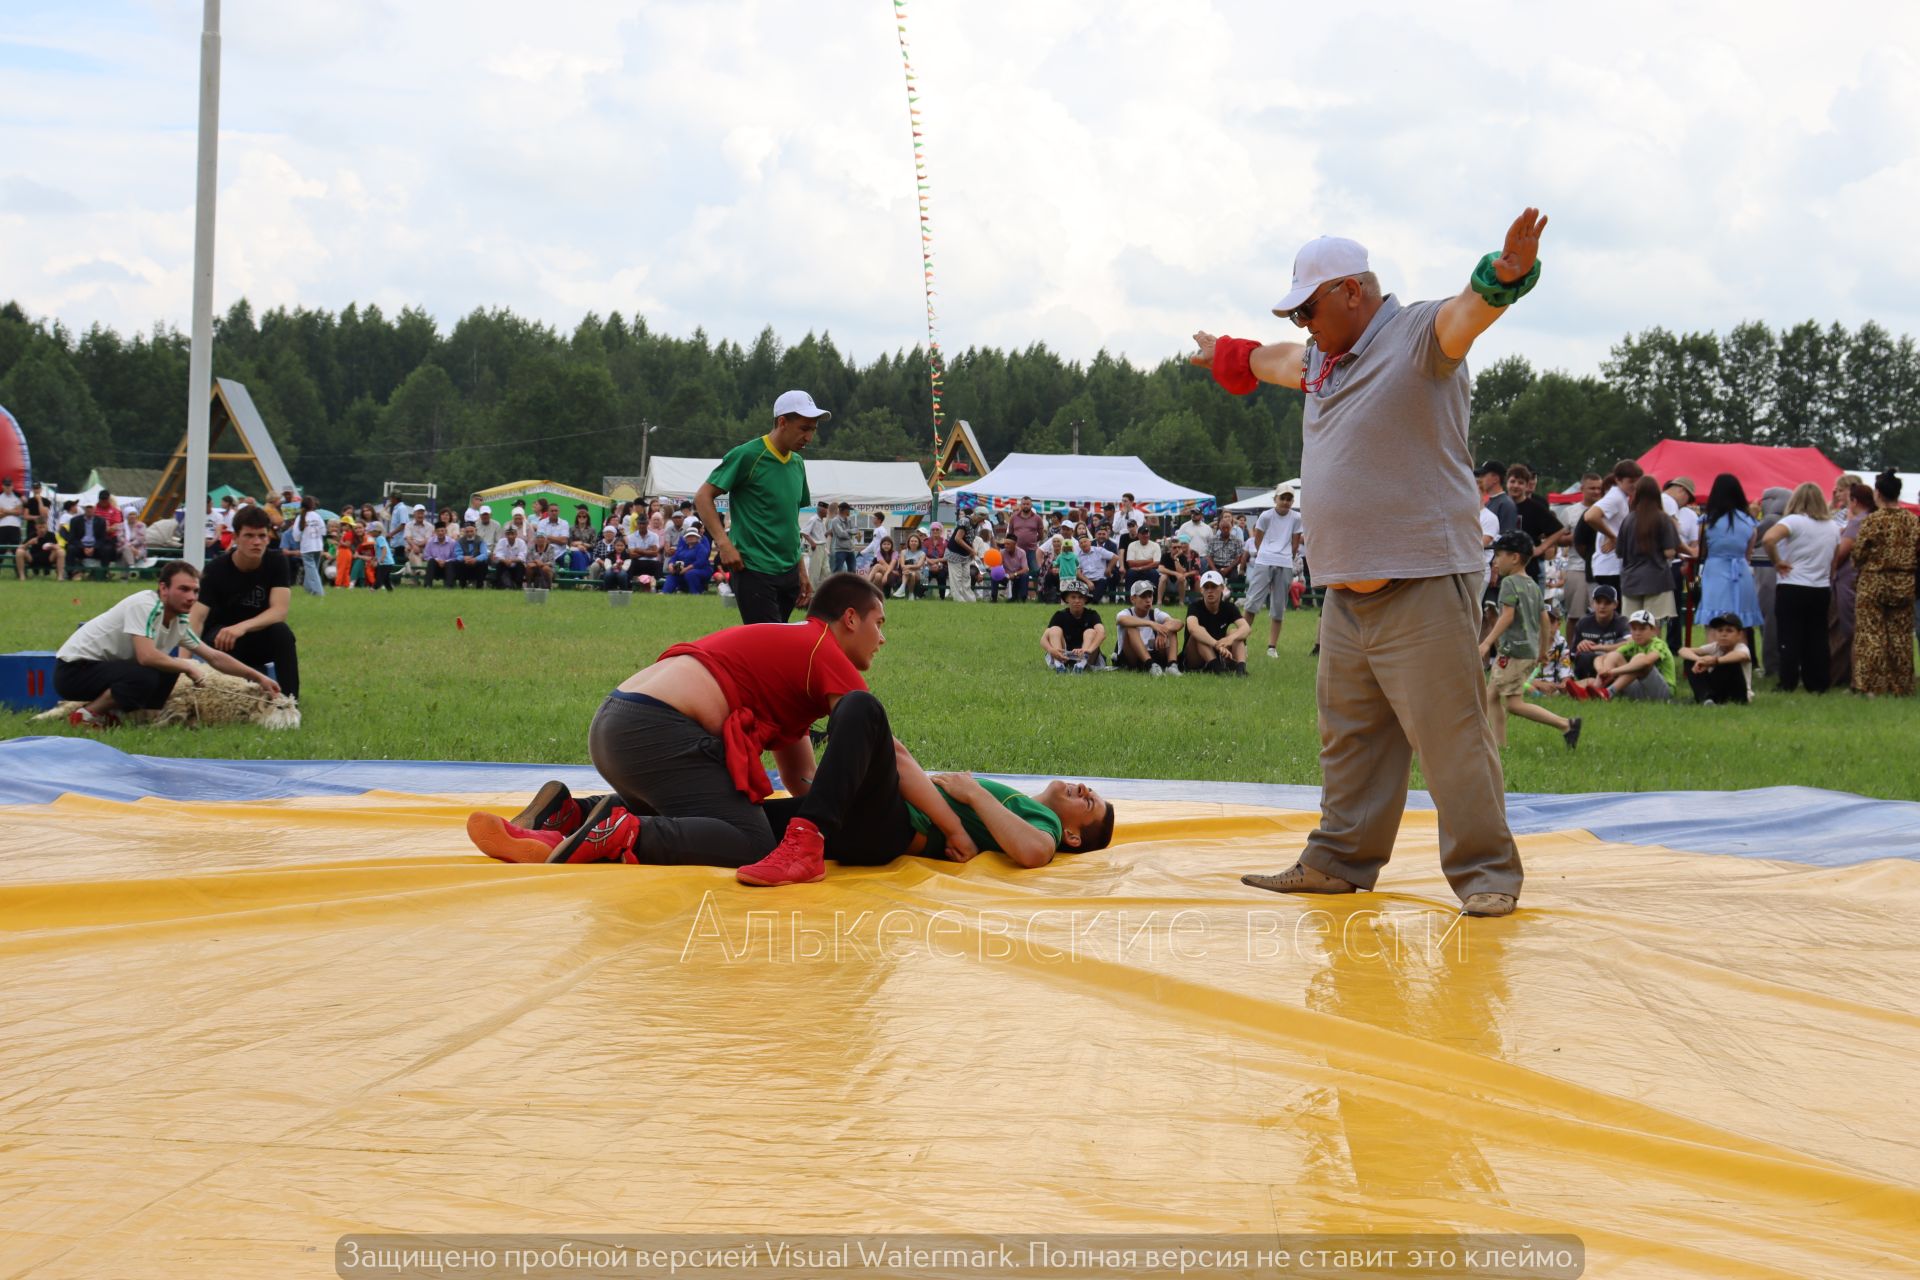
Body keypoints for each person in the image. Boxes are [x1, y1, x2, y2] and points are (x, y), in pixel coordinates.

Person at [1193, 209, 1546, 916]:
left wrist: (1503, 276)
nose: (1302, 325)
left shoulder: (1417, 337)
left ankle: (1487, 874)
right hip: (1347, 592)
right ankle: (1340, 861)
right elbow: (1267, 360)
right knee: (1350, 739)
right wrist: (1221, 355)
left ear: (1353, 292)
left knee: (1451, 741)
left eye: (1309, 308)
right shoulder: (1323, 359)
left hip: (1421, 580)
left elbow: (1468, 314)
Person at [473, 574, 889, 885]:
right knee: (751, 839)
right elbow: (888, 750)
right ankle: (620, 834)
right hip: (657, 728)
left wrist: (828, 814)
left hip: (616, 719)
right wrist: (940, 814)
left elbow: (805, 786)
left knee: (702, 811)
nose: (882, 638)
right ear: (850, 619)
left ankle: (567, 816)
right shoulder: (826, 650)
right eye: (879, 622)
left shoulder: (792, 657)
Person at [54, 561, 282, 727]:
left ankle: (145, 721)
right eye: (183, 589)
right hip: (73, 671)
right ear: (163, 589)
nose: (192, 597)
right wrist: (188, 666)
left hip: (102, 670)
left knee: (167, 671)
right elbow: (146, 657)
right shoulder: (144, 605)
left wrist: (259, 678)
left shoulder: (179, 621)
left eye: (195, 591)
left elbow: (213, 656)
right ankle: (86, 716)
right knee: (150, 672)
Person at [696, 390, 824, 625]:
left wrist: (801, 571)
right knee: (768, 647)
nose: (809, 437)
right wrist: (723, 543)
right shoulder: (747, 456)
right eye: (804, 428)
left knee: (774, 645)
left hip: (788, 572)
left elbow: (789, 520)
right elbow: (703, 497)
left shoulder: (797, 463)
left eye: (813, 429)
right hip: (754, 568)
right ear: (782, 422)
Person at [188, 504, 302, 700]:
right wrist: (184, 664)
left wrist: (241, 627)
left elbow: (279, 611)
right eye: (249, 536)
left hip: (255, 636)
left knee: (281, 632)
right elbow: (196, 619)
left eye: (262, 536)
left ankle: (289, 702)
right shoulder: (215, 569)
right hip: (221, 641)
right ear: (235, 538)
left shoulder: (276, 562)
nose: (256, 542)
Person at [1479, 531, 1581, 749]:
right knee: (1492, 696)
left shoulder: (1509, 583)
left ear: (1515, 558)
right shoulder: (1532, 585)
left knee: (1514, 704)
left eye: (1499, 555)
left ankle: (1566, 724)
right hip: (1526, 651)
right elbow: (1544, 619)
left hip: (1513, 652)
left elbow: (1507, 616)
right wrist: (1542, 650)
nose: (1495, 561)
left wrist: (1487, 643)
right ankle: (1499, 746)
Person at [1761, 483, 1839, 693]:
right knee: (1817, 637)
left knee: (1789, 636)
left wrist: (1777, 561)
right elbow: (1834, 560)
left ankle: (1788, 681)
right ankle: (1818, 682)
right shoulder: (1832, 527)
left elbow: (1768, 538)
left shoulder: (1793, 521)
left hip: (1793, 584)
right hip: (1820, 587)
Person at [1850, 471, 1918, 697]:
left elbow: (1858, 554)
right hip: (1904, 581)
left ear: (1878, 493)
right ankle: (1902, 685)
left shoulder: (1873, 520)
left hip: (1874, 581)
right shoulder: (1912, 520)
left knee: (1871, 634)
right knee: (1900, 636)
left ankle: (1872, 685)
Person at [1695, 474, 1762, 656]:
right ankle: (1740, 669)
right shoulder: (1749, 522)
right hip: (1740, 572)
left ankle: (1712, 665)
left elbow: (1701, 551)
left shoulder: (1707, 521)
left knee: (1713, 621)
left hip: (1715, 571)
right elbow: (1748, 554)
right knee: (1739, 624)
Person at [1827, 482, 1875, 690]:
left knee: (1850, 630)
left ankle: (1852, 678)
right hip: (1863, 580)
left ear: (1854, 501)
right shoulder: (1874, 519)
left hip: (1848, 581)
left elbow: (1840, 553)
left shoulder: (1857, 523)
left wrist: (1830, 571)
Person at [1615, 475, 1680, 625]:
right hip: (1657, 578)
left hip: (1631, 579)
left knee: (1632, 627)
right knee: (1653, 626)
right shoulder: (1663, 519)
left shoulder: (1628, 520)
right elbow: (1669, 552)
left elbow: (1619, 552)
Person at [1248, 488, 1303, 657]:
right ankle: (1241, 642)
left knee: (1279, 606)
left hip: (1284, 563)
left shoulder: (1296, 517)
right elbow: (1258, 540)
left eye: (1289, 499)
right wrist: (1267, 554)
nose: (1286, 502)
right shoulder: (1265, 516)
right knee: (1252, 602)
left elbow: (1295, 543)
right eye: (1283, 498)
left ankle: (1272, 647)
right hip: (1264, 560)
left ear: (1292, 501)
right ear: (1276, 499)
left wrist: (1286, 557)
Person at [1584, 458, 1644, 598]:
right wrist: (1613, 537)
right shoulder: (1615, 497)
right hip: (1609, 567)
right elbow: (1590, 516)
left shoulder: (1622, 497)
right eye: (1630, 481)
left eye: (1637, 481)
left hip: (1613, 565)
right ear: (1618, 480)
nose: (1635, 485)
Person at [1592, 609, 1677, 701]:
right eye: (1634, 629)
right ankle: (1596, 690)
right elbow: (1600, 658)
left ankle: (1608, 692)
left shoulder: (1659, 644)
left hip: (1663, 693)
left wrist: (1612, 672)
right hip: (1641, 690)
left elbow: (1646, 661)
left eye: (1642, 629)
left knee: (1639, 659)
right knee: (1613, 656)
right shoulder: (1633, 644)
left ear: (1653, 630)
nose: (1637, 633)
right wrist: (1601, 670)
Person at [1179, 570, 1250, 674]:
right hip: (1195, 658)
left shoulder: (1229, 607)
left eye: (1213, 587)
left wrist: (1230, 639)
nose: (1210, 591)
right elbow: (1193, 628)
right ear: (1201, 590)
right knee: (1199, 633)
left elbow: (1246, 628)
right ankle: (1218, 669)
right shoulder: (1195, 607)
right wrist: (1217, 645)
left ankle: (1241, 669)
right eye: (1206, 587)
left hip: (1219, 653)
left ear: (1222, 588)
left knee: (1235, 632)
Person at [1752, 486, 1790, 675]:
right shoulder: (1788, 520)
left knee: (1769, 623)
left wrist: (1750, 517)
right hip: (1774, 575)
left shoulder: (1771, 521)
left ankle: (1772, 666)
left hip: (1768, 577)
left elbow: (1751, 536)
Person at [1678, 614, 1753, 705]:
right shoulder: (1715, 646)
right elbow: (1683, 650)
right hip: (1718, 691)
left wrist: (1715, 661)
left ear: (1739, 635)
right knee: (1690, 661)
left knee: (1730, 661)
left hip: (1738, 693)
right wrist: (1701, 660)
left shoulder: (1741, 647)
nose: (1724, 634)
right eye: (1720, 630)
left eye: (1729, 631)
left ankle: (1706, 699)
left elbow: (1742, 656)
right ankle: (1706, 699)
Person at [1509, 464, 1564, 586]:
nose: (1516, 486)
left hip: (1529, 567)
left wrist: (1541, 548)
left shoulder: (1535, 507)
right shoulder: (1503, 505)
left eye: (1520, 482)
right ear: (1507, 483)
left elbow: (1559, 529)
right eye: (1512, 481)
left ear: (1526, 485)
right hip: (1505, 568)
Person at [1113, 578, 1180, 674]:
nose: (1148, 600)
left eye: (1150, 596)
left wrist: (1164, 630)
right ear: (1133, 599)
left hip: (1154, 654)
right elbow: (1120, 619)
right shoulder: (1126, 613)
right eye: (1143, 596)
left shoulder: (1155, 613)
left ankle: (1172, 666)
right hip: (1132, 658)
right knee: (1131, 628)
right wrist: (1151, 624)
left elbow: (1178, 623)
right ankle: (1150, 665)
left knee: (1171, 629)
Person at [1565, 584, 1629, 685]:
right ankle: (1590, 682)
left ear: (1615, 604)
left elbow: (1629, 644)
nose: (1602, 606)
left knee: (1621, 643)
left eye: (1607, 603)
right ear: (1592, 604)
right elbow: (1572, 656)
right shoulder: (1583, 623)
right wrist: (1580, 646)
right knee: (1583, 655)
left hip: (1613, 667)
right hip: (1590, 667)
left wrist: (1599, 647)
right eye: (1598, 602)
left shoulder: (1622, 622)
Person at [1042, 579, 1107, 673]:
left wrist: (1087, 651)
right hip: (1064, 654)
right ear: (1067, 599)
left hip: (1088, 655)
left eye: (1080, 597)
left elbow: (1102, 634)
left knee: (1090, 632)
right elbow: (1043, 639)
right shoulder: (1059, 615)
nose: (1077, 600)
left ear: (1086, 599)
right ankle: (1059, 664)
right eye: (1073, 597)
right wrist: (1051, 650)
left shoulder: (1092, 614)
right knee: (1054, 630)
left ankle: (1081, 665)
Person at [661, 526, 713, 595]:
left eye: (693, 536)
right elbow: (674, 558)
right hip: (683, 570)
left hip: (701, 570)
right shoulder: (682, 548)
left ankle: (695, 592)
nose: (690, 537)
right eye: (688, 536)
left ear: (698, 538)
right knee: (672, 575)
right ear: (685, 539)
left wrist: (686, 569)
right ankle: (665, 592)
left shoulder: (701, 548)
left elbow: (700, 562)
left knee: (690, 573)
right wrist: (671, 566)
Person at [297, 496, 328, 596]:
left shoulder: (300, 517)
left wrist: (299, 539)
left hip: (306, 547)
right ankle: (309, 588)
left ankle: (319, 592)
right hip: (318, 546)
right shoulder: (317, 516)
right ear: (312, 505)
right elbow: (323, 531)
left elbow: (296, 534)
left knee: (311, 570)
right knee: (312, 569)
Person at [943, 512, 977, 603]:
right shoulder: (964, 521)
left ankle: (970, 600)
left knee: (966, 576)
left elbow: (969, 539)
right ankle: (958, 600)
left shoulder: (976, 523)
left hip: (965, 555)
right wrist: (971, 550)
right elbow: (958, 539)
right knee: (956, 578)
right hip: (954, 553)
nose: (984, 521)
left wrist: (971, 550)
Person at [802, 500, 832, 592]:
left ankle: (823, 593)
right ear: (821, 510)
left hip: (822, 547)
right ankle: (811, 596)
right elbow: (803, 532)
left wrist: (828, 533)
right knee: (814, 573)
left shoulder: (821, 521)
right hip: (817, 548)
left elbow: (822, 536)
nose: (827, 512)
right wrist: (812, 543)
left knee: (826, 572)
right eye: (826, 510)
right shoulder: (813, 519)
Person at [490, 524, 529, 589]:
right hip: (504, 564)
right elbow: (498, 555)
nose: (510, 536)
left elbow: (522, 557)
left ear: (516, 534)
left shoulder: (521, 542)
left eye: (512, 534)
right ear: (505, 535)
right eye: (508, 534)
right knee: (499, 565)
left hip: (516, 565)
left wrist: (512, 560)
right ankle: (499, 586)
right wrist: (505, 561)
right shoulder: (501, 541)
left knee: (520, 565)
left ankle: (518, 586)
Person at [452, 522, 489, 588]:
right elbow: (457, 555)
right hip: (464, 563)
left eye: (471, 531)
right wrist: (464, 558)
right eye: (467, 532)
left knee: (483, 563)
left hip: (476, 563)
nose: (469, 533)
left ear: (476, 531)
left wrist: (475, 559)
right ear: (464, 532)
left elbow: (484, 554)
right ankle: (462, 585)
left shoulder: (480, 540)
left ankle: (479, 586)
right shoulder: (459, 541)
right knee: (458, 563)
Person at [422, 522, 458, 587]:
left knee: (450, 563)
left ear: (446, 531)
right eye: (438, 531)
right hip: (435, 566)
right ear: (435, 532)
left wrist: (445, 561)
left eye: (442, 531)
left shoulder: (452, 542)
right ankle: (428, 585)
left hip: (447, 567)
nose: (440, 533)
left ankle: (449, 586)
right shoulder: (430, 541)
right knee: (431, 561)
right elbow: (426, 555)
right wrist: (437, 560)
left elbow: (455, 557)